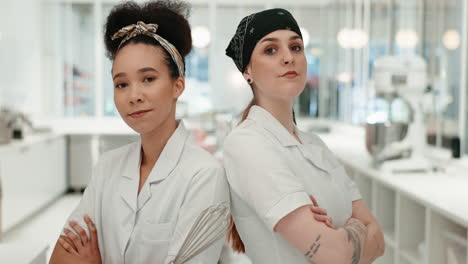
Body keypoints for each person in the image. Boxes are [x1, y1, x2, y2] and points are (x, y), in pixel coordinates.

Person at [49, 1, 229, 263]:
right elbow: (62, 257)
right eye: (121, 84)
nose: (134, 96)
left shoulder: (203, 175)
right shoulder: (108, 167)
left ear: (177, 85)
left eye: (148, 79)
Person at [223, 8, 385, 264]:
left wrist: (343, 237)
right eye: (270, 50)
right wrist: (356, 228)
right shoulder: (247, 143)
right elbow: (336, 254)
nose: (288, 57)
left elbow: (379, 240)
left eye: (296, 47)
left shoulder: (314, 144)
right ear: (247, 71)